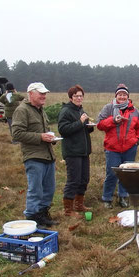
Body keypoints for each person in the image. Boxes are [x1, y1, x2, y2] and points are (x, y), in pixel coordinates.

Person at [11, 82, 58, 228]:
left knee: (49, 189)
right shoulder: (22, 110)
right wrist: (40, 137)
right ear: (31, 94)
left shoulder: (41, 110)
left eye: (45, 93)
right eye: (41, 93)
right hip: (33, 156)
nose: (44, 96)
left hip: (48, 155)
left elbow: (45, 131)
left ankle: (42, 215)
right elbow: (17, 134)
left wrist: (51, 138)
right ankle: (31, 218)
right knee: (35, 190)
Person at [97, 84, 139, 209]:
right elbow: (100, 124)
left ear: (128, 97)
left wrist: (138, 140)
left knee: (127, 174)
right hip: (112, 148)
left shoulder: (134, 111)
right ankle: (107, 199)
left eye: (124, 95)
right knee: (112, 174)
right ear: (116, 96)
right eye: (120, 94)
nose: (122, 97)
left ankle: (123, 197)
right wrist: (113, 120)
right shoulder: (108, 108)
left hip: (130, 148)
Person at [58, 85, 93, 219]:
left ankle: (79, 205)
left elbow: (81, 128)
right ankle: (68, 210)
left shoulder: (80, 110)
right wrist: (80, 122)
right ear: (71, 97)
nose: (79, 98)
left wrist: (88, 126)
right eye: (76, 96)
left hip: (84, 151)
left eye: (80, 96)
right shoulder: (66, 111)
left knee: (84, 179)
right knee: (74, 180)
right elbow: (63, 129)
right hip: (72, 151)